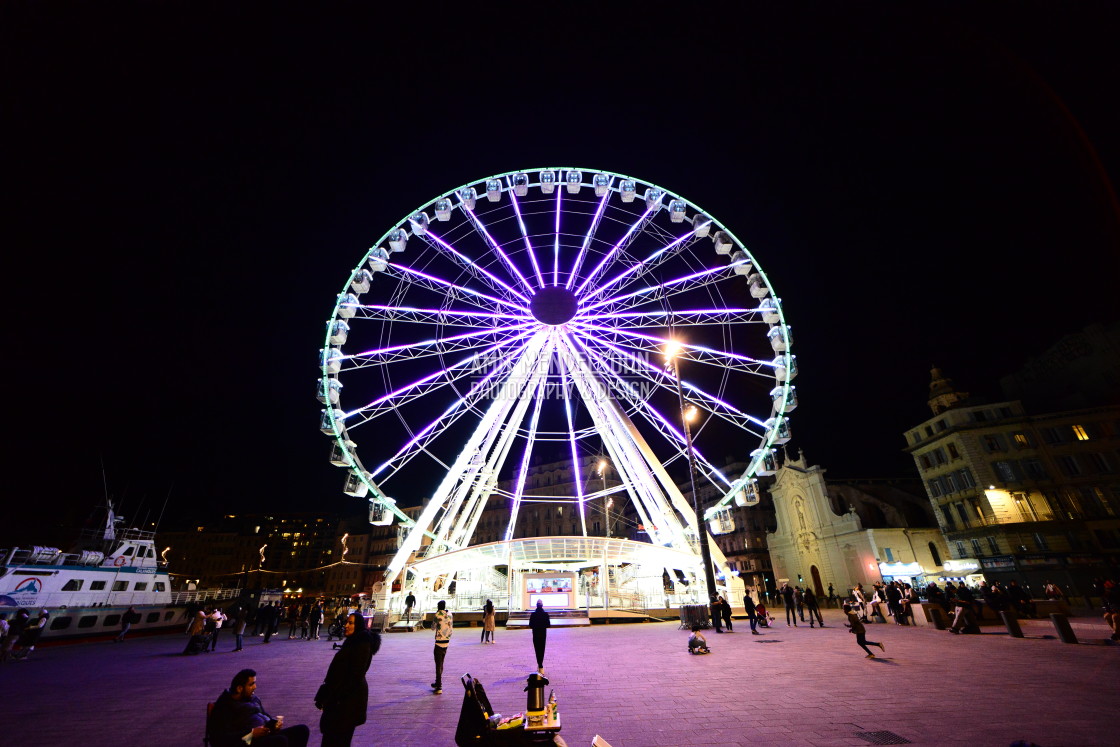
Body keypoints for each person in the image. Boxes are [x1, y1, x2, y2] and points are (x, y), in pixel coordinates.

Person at [315, 612, 379, 746]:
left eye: (350, 623)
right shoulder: (353, 641)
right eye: (346, 622)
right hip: (342, 699)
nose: (346, 626)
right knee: (334, 737)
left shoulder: (361, 645)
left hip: (347, 702)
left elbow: (354, 675)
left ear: (359, 625)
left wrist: (334, 697)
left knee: (338, 739)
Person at [210, 668, 310, 747]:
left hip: (263, 735)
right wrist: (251, 734)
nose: (255, 687)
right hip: (245, 742)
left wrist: (273, 724)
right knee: (279, 741)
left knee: (301, 730)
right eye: (251, 684)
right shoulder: (225, 706)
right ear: (239, 688)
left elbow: (264, 716)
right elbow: (220, 740)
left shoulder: (252, 698)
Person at [431, 600, 453, 694]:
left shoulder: (437, 615)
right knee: (441, 662)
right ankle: (437, 682)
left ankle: (439, 686)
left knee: (438, 663)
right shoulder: (450, 614)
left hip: (439, 642)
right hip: (447, 641)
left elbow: (433, 627)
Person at [529, 600, 551, 674]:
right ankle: (540, 665)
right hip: (543, 634)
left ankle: (540, 664)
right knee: (542, 649)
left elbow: (530, 625)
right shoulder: (545, 614)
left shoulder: (533, 614)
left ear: (536, 605)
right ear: (542, 605)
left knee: (537, 649)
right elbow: (548, 625)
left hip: (535, 634)